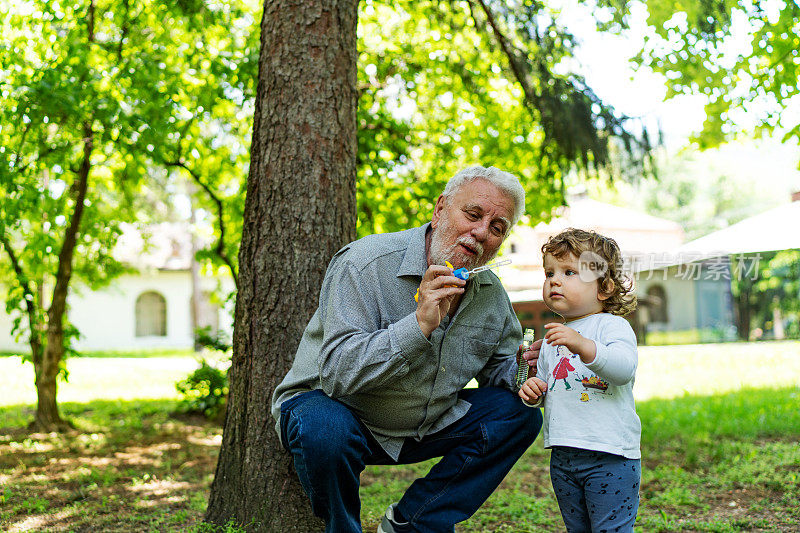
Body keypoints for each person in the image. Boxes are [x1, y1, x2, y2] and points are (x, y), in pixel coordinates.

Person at [271, 165, 543, 533]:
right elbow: (337, 374)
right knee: (324, 426)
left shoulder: (491, 294)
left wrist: (527, 368)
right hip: (342, 415)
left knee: (519, 414)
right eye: (473, 214)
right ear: (440, 209)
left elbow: (499, 371)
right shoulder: (365, 262)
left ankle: (411, 523)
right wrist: (419, 326)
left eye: (497, 228)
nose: (481, 232)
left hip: (424, 424)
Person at [518, 228, 641, 533]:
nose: (554, 280)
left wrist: (583, 346)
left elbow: (623, 369)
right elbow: (553, 390)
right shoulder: (551, 339)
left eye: (569, 271)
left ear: (604, 287)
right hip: (563, 455)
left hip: (610, 455)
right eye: (549, 272)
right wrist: (534, 392)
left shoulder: (613, 327)